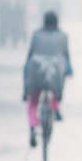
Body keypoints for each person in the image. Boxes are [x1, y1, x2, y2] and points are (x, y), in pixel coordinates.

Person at [23, 10, 73, 147]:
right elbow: (66, 56)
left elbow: (30, 54)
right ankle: (56, 107)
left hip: (36, 73)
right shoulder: (63, 36)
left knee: (33, 100)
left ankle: (33, 126)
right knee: (58, 82)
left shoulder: (36, 35)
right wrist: (69, 71)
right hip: (54, 74)